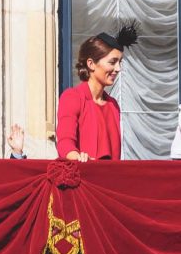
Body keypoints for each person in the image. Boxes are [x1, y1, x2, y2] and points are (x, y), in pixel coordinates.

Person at [56, 23, 137, 162]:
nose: (118, 69)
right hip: (83, 177)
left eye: (120, 62)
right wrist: (78, 157)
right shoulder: (73, 97)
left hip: (109, 180)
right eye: (112, 62)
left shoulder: (113, 104)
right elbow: (65, 143)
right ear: (91, 64)